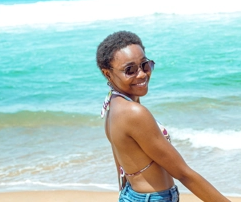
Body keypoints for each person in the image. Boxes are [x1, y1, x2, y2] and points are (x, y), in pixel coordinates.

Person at [96, 31, 230, 202]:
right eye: (130, 70)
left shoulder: (113, 104)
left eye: (144, 65)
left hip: (135, 195)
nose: (142, 74)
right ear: (108, 74)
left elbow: (120, 163)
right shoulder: (133, 112)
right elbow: (182, 173)